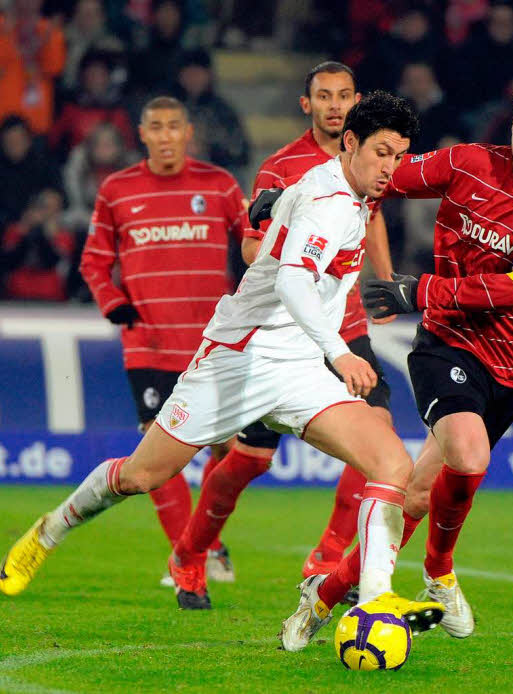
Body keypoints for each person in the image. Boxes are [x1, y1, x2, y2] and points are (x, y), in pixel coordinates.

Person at [0, 92, 444, 638]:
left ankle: (373, 599)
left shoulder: (342, 188)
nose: (389, 168)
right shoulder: (330, 201)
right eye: (381, 153)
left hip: (298, 367)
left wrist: (273, 206)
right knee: (140, 476)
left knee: (393, 465)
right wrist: (340, 351)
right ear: (349, 143)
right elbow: (293, 280)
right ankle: (49, 531)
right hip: (241, 360)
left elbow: (283, 216)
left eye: (398, 156)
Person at [279, 73, 513, 648]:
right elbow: (372, 175)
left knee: (420, 498)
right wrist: (289, 196)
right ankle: (439, 574)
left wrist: (417, 291)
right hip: (448, 343)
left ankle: (324, 595)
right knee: (470, 455)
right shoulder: (469, 162)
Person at [164, 61, 398, 601]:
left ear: (356, 100)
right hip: (281, 332)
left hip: (345, 327)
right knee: (251, 459)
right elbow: (251, 247)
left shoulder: (373, 158)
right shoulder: (281, 166)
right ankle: (192, 552)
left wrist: (383, 284)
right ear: (306, 104)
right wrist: (295, 258)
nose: (335, 106)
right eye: (324, 96)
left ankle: (327, 556)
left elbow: (375, 217)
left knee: (379, 432)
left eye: (344, 95)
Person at [75, 96, 247, 582]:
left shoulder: (218, 185)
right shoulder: (117, 189)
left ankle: (206, 544)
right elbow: (93, 260)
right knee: (156, 455)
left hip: (213, 343)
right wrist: (114, 303)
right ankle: (187, 558)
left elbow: (256, 241)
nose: (166, 135)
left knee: (230, 451)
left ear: (187, 132)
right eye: (157, 127)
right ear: (143, 133)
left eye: (174, 126)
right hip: (148, 342)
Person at [0, 0, 66, 136]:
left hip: (34, 121)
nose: (28, 3)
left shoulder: (48, 29)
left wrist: (46, 40)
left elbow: (54, 68)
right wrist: (7, 34)